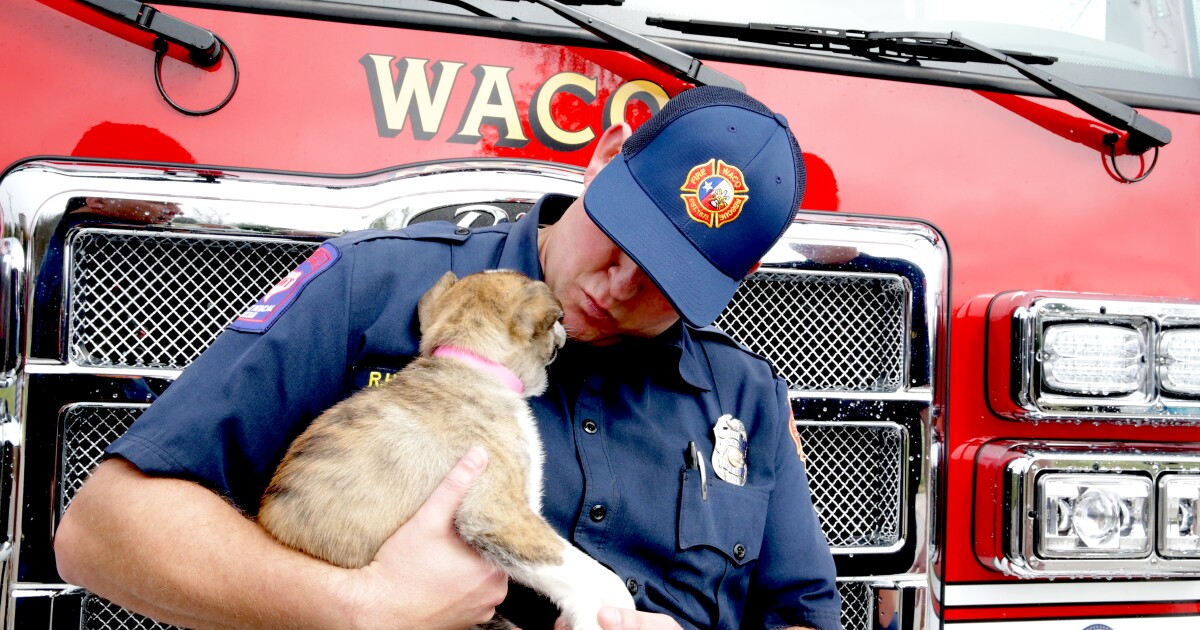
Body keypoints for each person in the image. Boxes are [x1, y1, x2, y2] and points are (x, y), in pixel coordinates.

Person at [54, 86, 841, 630]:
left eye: (666, 277)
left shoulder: (747, 396)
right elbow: (101, 532)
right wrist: (359, 608)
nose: (617, 285)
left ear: (739, 279)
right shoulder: (373, 288)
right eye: (622, 234)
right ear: (604, 157)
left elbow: (803, 615)